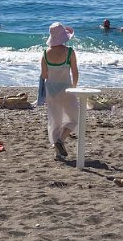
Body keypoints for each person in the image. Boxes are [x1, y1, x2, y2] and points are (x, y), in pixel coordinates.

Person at [40, 22, 79, 160]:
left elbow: (44, 75)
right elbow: (75, 73)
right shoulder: (69, 52)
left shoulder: (45, 54)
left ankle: (57, 152)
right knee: (74, 118)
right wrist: (74, 87)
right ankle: (61, 140)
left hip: (51, 90)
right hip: (66, 89)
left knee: (55, 121)